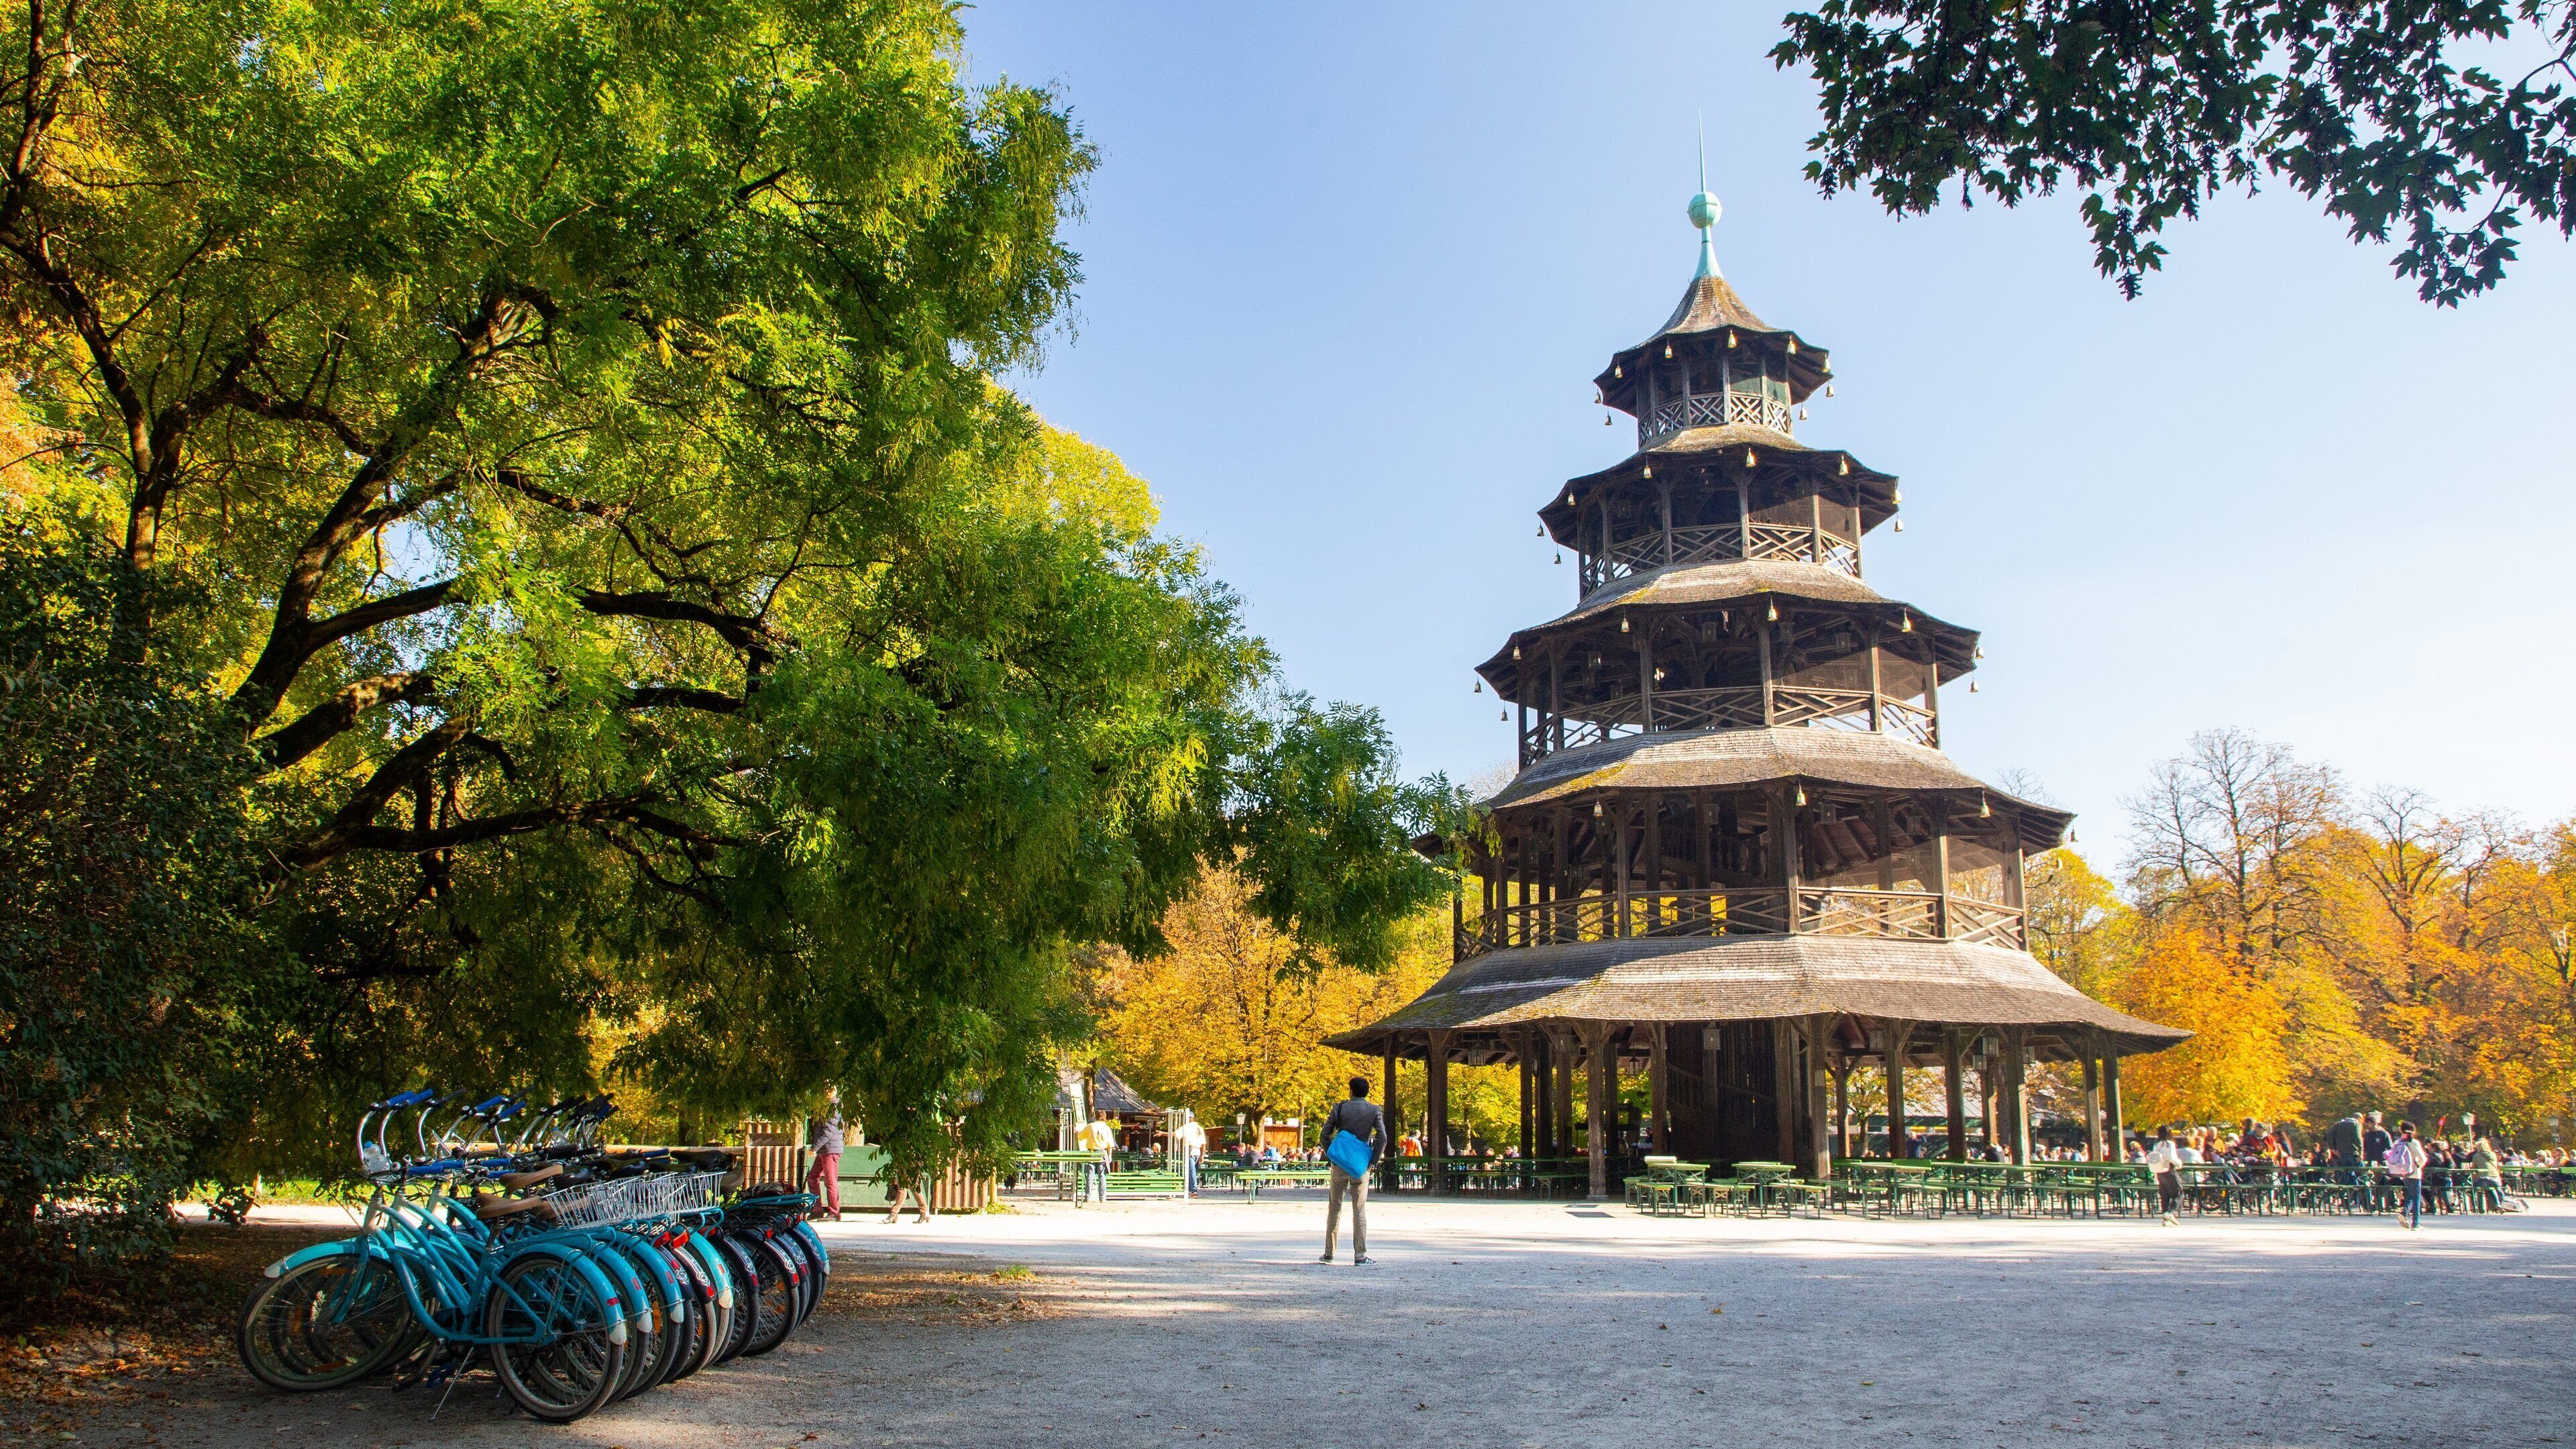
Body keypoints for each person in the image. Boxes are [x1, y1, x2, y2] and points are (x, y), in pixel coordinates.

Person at [1318, 1074, 1388, 1266]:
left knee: (1335, 1208)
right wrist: (1372, 1161)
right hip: (1360, 1166)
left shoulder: (1339, 1108)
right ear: (1367, 1092)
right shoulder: (1374, 1110)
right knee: (1359, 1210)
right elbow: (1383, 1138)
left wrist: (1333, 1153)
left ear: (1351, 1090)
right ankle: (1360, 1255)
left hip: (1340, 1164)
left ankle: (1329, 1253)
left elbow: (1324, 1135)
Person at [806, 1090, 847, 1221]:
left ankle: (834, 1213)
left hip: (831, 1150)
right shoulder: (826, 1106)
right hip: (824, 1149)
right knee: (812, 1178)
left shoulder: (835, 1107)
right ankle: (817, 1210)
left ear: (833, 1091)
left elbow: (827, 1132)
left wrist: (814, 1148)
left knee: (830, 1182)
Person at [2385, 1121, 2428, 1229]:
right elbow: (2423, 1159)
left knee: (2413, 1194)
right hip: (2414, 1172)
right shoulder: (2414, 1142)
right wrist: (2419, 1164)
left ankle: (2404, 1213)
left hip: (2402, 1172)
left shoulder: (2398, 1142)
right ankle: (2416, 1222)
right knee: (2416, 1196)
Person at [2145, 1126, 2185, 1225]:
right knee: (2179, 1193)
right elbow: (2172, 1157)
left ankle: (2165, 1219)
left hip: (2159, 1170)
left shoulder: (2156, 1145)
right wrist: (2178, 1163)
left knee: (2165, 1195)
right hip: (2169, 1169)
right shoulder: (2169, 1144)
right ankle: (2170, 1212)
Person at [1077, 1112, 1118, 1203]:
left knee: (1090, 1175)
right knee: (1102, 1176)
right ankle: (1102, 1197)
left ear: (1096, 1117)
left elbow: (1080, 1136)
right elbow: (1110, 1145)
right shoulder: (1107, 1128)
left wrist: (1076, 1131)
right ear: (1105, 1118)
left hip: (1092, 1152)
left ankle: (1088, 1197)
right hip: (1103, 1153)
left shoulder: (1091, 1126)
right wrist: (1110, 1156)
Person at [1176, 1111, 1208, 1197]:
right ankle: (1191, 1189)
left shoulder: (1187, 1127)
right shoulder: (1200, 1128)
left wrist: (1163, 1133)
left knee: (1191, 1171)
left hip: (1190, 1150)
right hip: (1198, 1151)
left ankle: (1193, 1190)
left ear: (1190, 1118)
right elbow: (1204, 1143)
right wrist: (1202, 1155)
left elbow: (1175, 1135)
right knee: (1193, 1170)